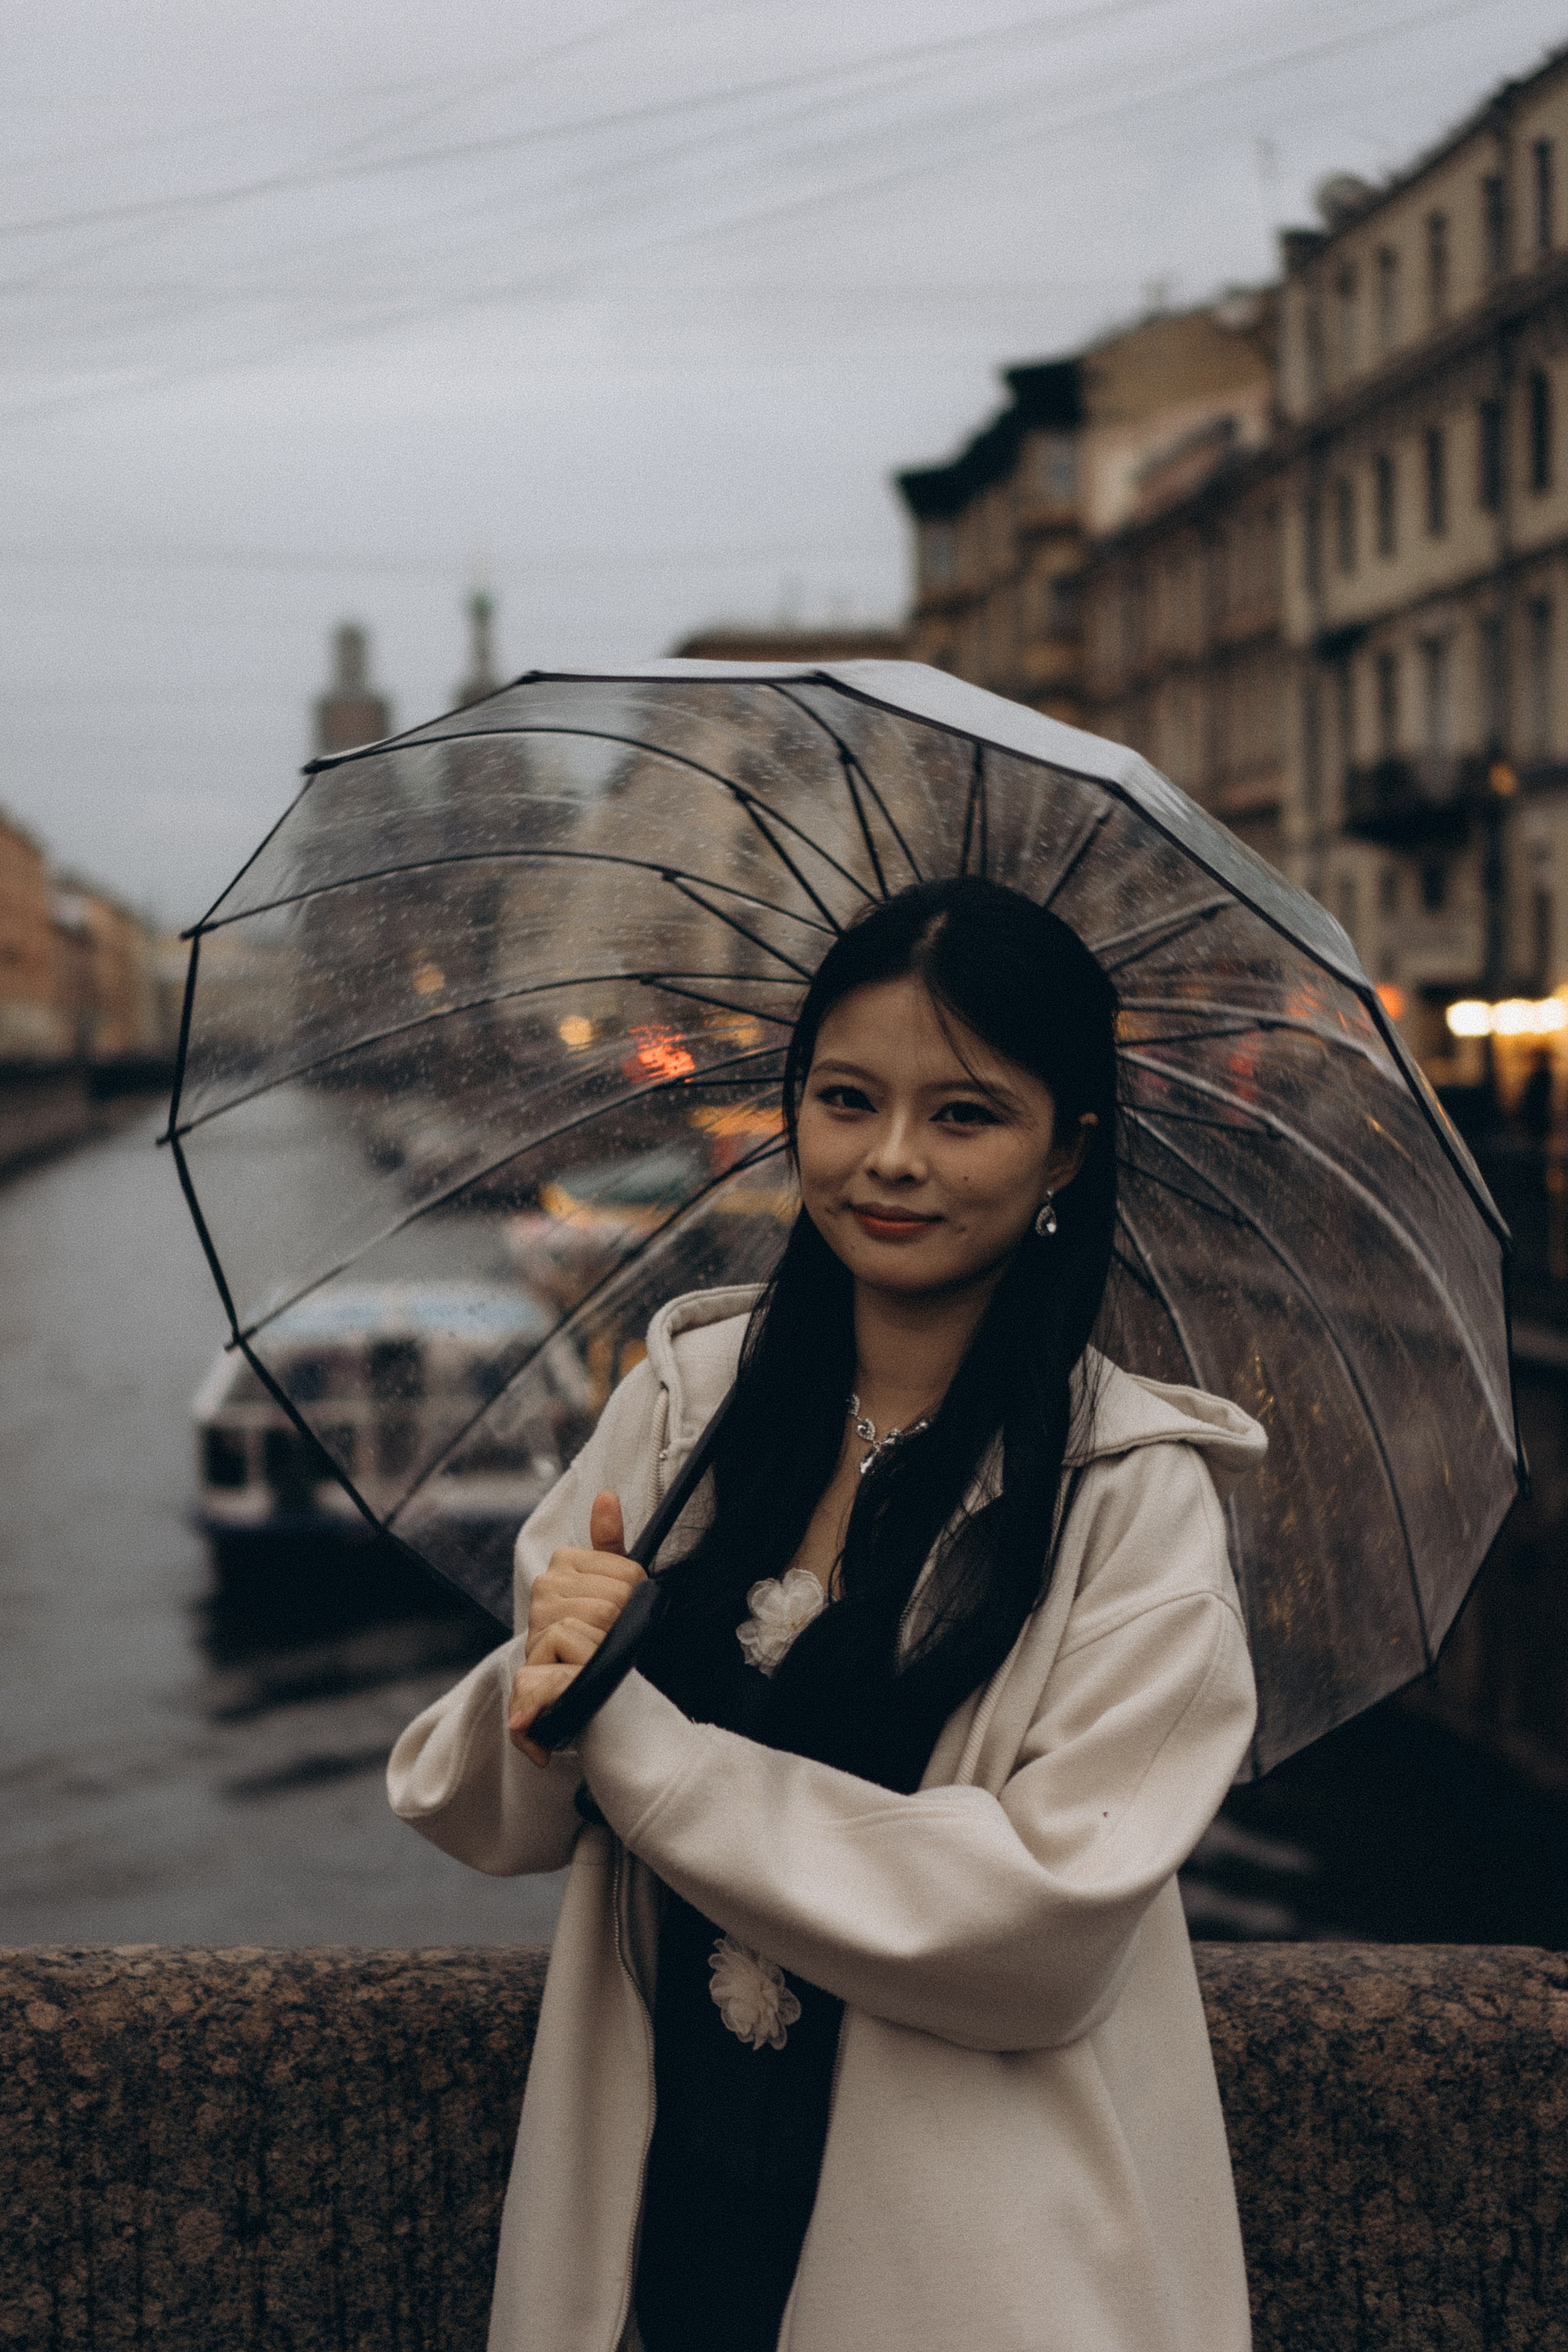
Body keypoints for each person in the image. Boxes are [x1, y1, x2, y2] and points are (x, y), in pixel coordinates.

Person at [388, 875, 1265, 2352]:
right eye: (846, 1099)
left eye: (967, 1114)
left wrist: (640, 1737)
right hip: (664, 2221)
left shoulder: (1130, 1496)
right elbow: (491, 1817)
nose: (890, 1161)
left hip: (972, 2267)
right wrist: (544, 1677)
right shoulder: (684, 1409)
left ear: (1068, 1150)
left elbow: (1039, 1938)